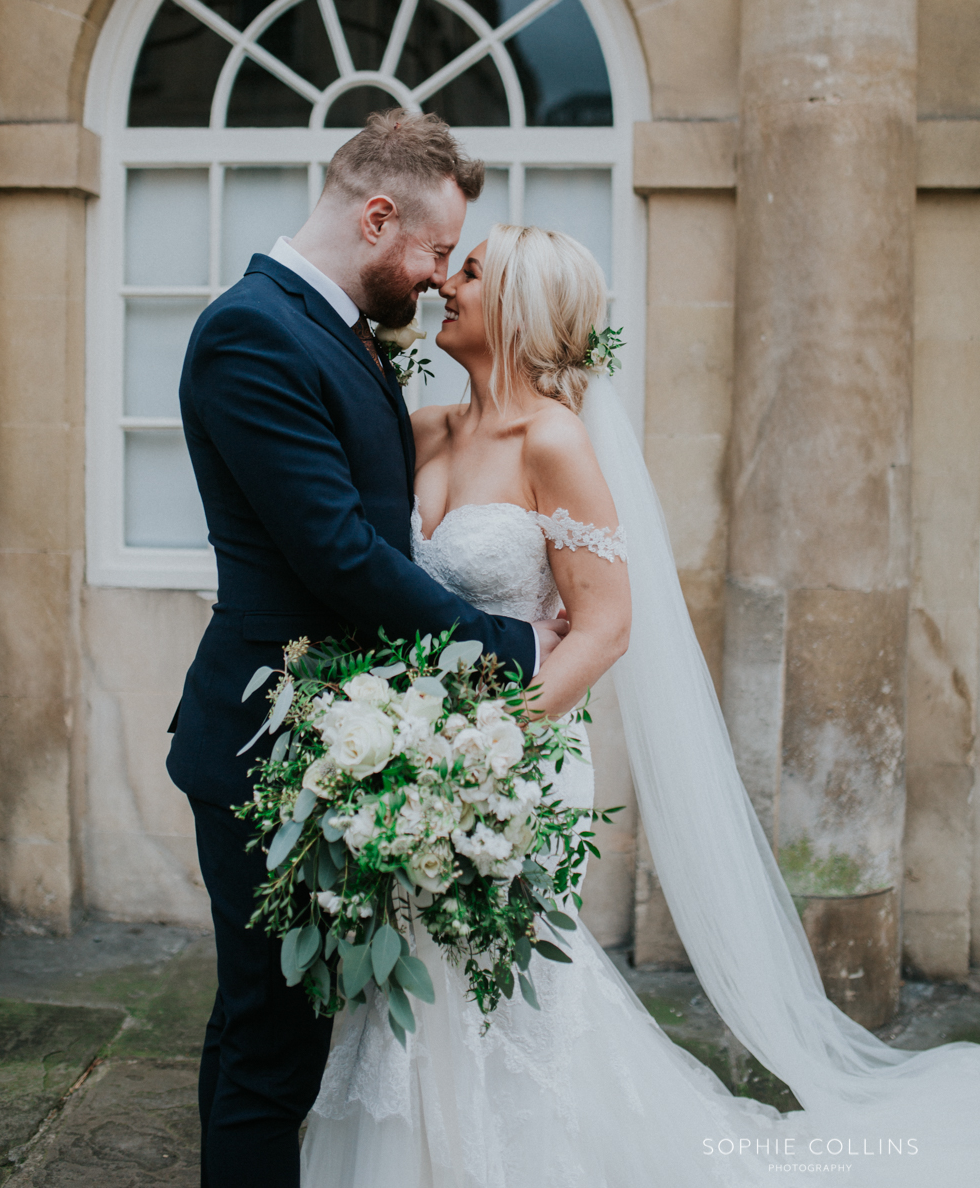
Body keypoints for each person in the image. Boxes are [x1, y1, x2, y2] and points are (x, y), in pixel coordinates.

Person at [300, 223, 980, 1186]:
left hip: (514, 765)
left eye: (474, 274)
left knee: (501, 991)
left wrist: (492, 750)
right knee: (411, 986)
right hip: (410, 760)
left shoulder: (556, 441)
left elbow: (605, 627)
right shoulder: (420, 429)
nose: (448, 284)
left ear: (524, 308)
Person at [167, 112, 569, 1188]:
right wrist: (509, 647)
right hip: (264, 735)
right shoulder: (255, 330)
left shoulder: (336, 328)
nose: (441, 280)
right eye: (437, 253)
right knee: (270, 1046)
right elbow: (343, 558)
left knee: (269, 1024)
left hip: (325, 732)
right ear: (376, 215)